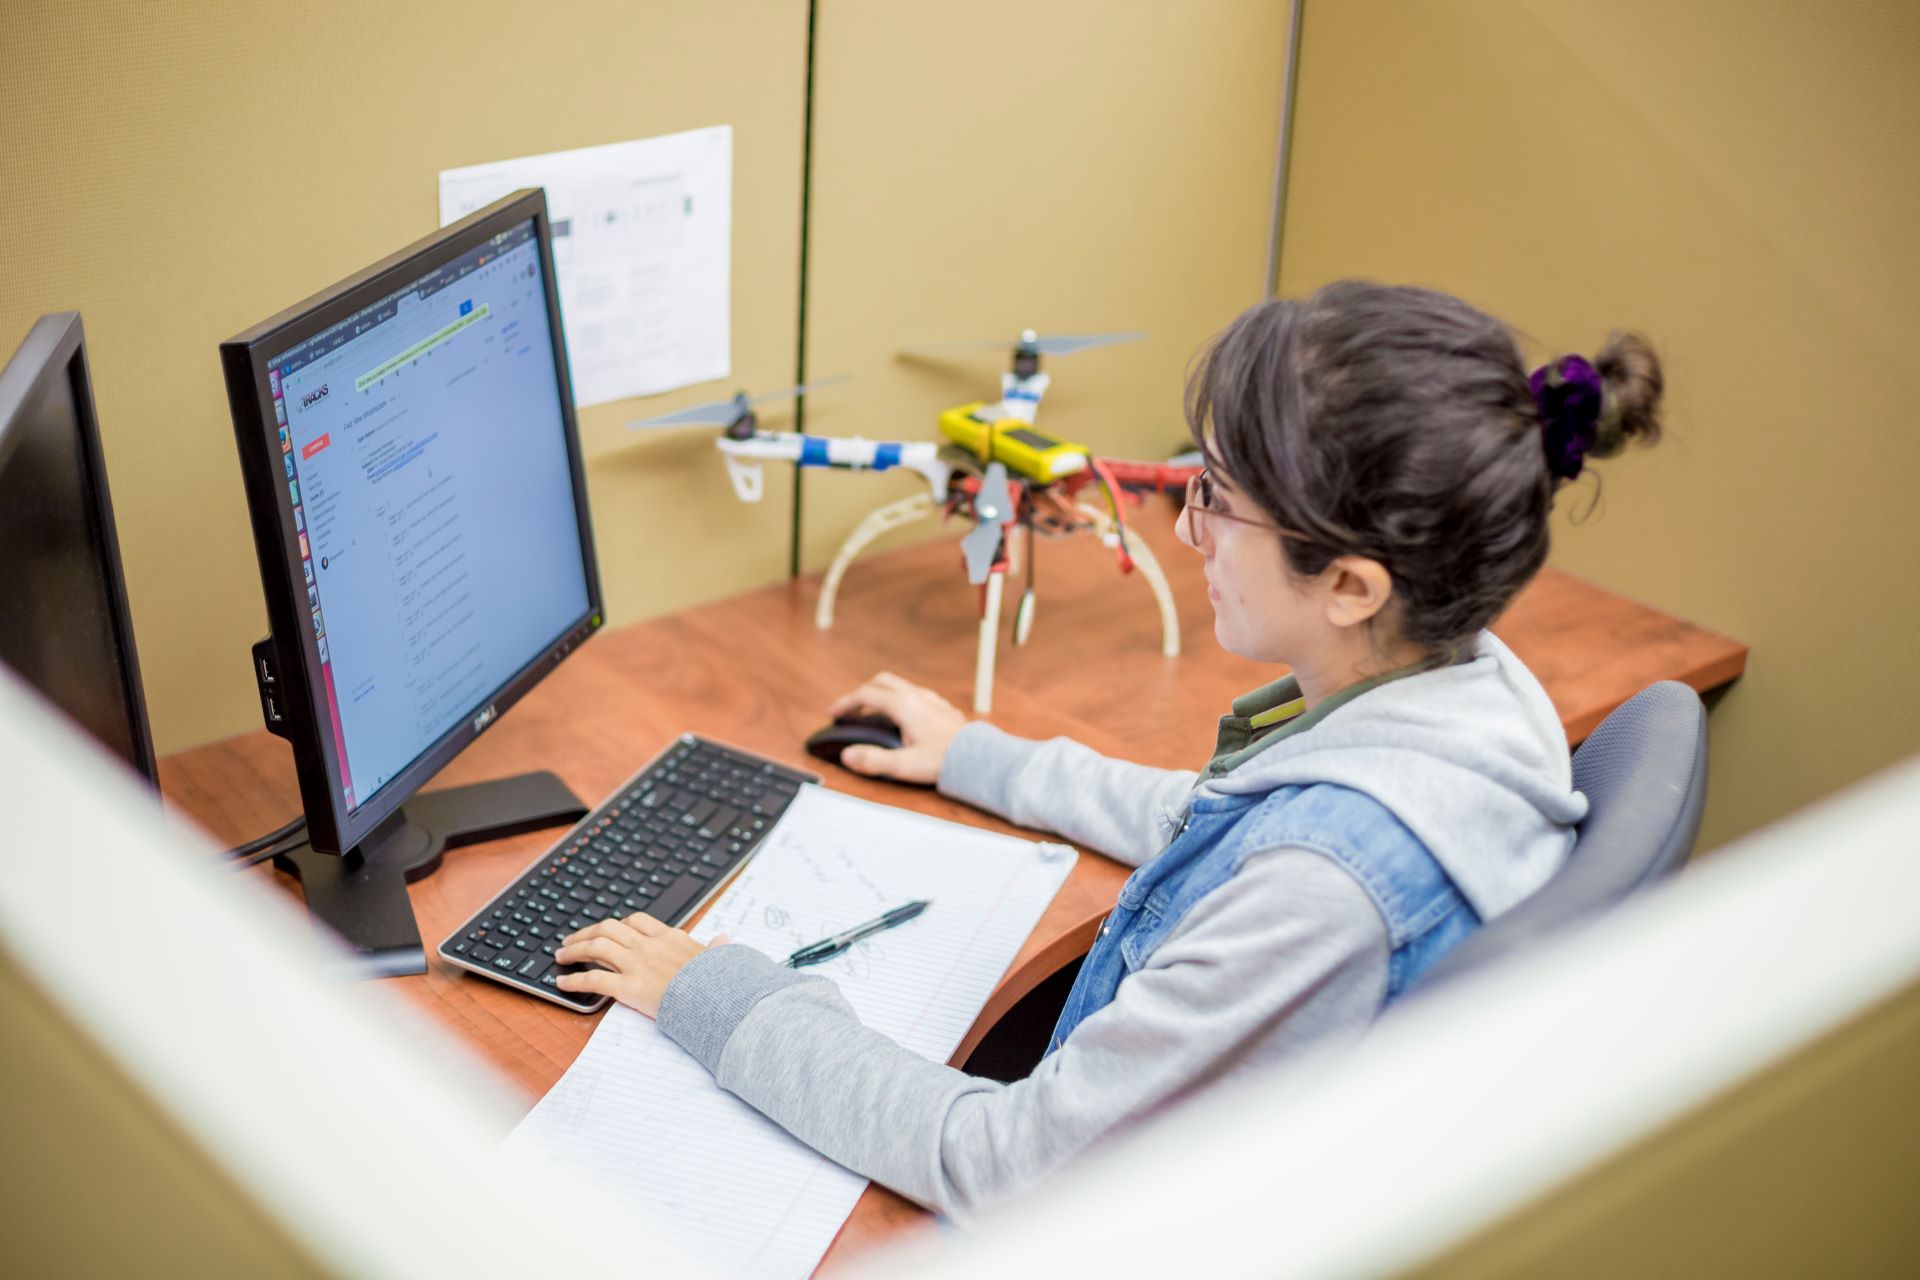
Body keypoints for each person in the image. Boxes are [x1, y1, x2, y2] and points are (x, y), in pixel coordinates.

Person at [552, 281, 1665, 1218]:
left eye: (1219, 498)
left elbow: (1003, 1164)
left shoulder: (1326, 888)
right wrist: (982, 758)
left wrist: (717, 992)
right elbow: (1229, 823)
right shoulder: (1469, 683)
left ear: (1350, 584)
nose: (1186, 527)